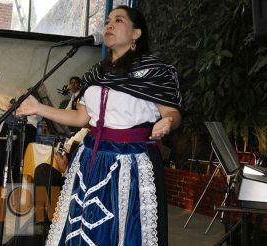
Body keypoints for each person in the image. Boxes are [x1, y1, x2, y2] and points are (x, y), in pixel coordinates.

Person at [17, 5, 182, 246]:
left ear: (136, 33)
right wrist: (38, 109)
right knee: (83, 225)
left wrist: (167, 121)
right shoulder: (94, 73)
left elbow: (172, 112)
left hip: (131, 161)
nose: (109, 25)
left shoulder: (154, 70)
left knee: (124, 228)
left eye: (118, 20)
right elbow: (80, 119)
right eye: (107, 21)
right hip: (90, 160)